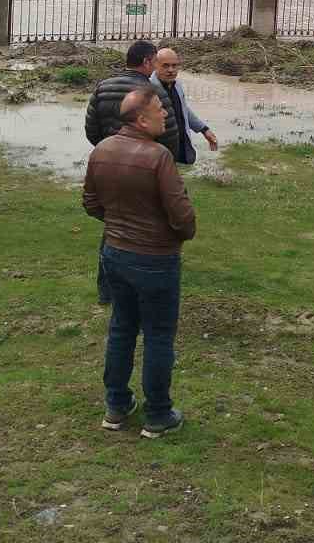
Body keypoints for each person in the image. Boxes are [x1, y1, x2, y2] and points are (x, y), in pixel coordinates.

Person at [83, 86, 197, 439]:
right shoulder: (158, 157)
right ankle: (158, 415)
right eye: (159, 109)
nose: (166, 113)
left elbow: (90, 203)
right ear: (141, 118)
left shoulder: (102, 150)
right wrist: (170, 233)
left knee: (121, 328)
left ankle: (116, 406)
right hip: (156, 260)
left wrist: (119, 224)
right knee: (159, 336)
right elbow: (183, 218)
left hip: (115, 254)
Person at [84, 40, 173, 304]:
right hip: (146, 169)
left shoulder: (103, 87)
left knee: (114, 224)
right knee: (148, 226)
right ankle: (146, 286)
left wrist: (108, 152)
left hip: (109, 167)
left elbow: (91, 130)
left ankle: (107, 290)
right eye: (156, 61)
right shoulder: (153, 92)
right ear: (147, 62)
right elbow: (170, 134)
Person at [150, 47, 219, 166]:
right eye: (165, 66)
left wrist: (204, 130)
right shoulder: (148, 89)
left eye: (174, 65)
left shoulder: (177, 85)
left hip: (182, 144)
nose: (171, 70)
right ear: (155, 65)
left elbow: (183, 109)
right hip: (160, 150)